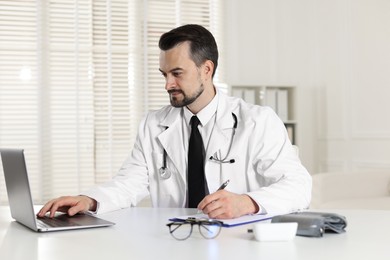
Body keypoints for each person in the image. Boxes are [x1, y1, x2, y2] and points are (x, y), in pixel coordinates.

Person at [38, 24, 312, 220]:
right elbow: (130, 182)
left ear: (207, 69)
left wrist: (246, 203)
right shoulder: (153, 123)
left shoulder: (257, 121)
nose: (168, 84)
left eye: (177, 73)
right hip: (172, 240)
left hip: (236, 242)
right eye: (164, 74)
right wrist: (90, 200)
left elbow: (299, 186)